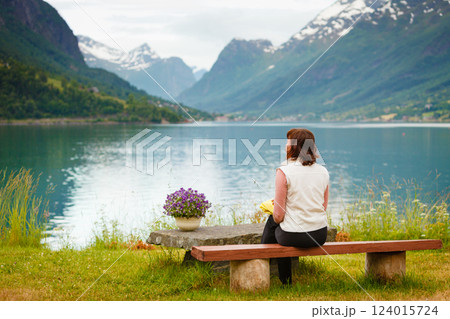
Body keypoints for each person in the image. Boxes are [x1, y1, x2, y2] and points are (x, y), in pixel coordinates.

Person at [261, 128, 329, 285]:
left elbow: (279, 215)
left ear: (294, 147)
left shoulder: (284, 171)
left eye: (287, 142)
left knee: (273, 221)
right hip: (319, 235)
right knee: (277, 224)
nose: (285, 146)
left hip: (293, 236)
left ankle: (267, 267)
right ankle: (279, 276)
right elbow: (322, 207)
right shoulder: (323, 171)